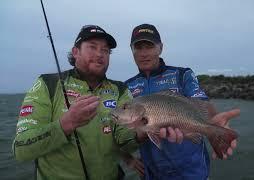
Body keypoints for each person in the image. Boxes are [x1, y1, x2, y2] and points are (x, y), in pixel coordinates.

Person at [12, 25, 141, 180]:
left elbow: (125, 141)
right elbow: (21, 149)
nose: (100, 54)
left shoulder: (120, 89)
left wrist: (142, 134)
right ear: (75, 52)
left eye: (105, 50)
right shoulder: (48, 84)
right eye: (92, 47)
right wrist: (66, 124)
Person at [125, 24, 240, 180]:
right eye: (138, 47)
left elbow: (201, 101)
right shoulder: (126, 87)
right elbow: (117, 134)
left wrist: (213, 123)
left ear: (160, 48)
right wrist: (128, 158)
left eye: (149, 46)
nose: (144, 53)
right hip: (152, 174)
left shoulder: (182, 74)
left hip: (192, 173)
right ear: (132, 50)